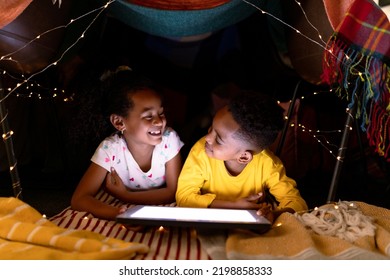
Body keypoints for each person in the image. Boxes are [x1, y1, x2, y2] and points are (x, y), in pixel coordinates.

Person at [176, 90, 308, 223]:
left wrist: (274, 215)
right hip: (206, 219)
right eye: (211, 128)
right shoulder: (201, 151)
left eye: (219, 140)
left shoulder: (268, 164)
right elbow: (184, 198)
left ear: (244, 157)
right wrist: (234, 206)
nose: (208, 138)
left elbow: (297, 204)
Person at [71, 67, 184, 220]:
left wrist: (125, 196)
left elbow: (173, 192)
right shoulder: (110, 150)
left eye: (161, 113)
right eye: (148, 116)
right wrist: (117, 213)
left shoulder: (169, 140)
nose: (159, 121)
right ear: (119, 122)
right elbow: (79, 199)